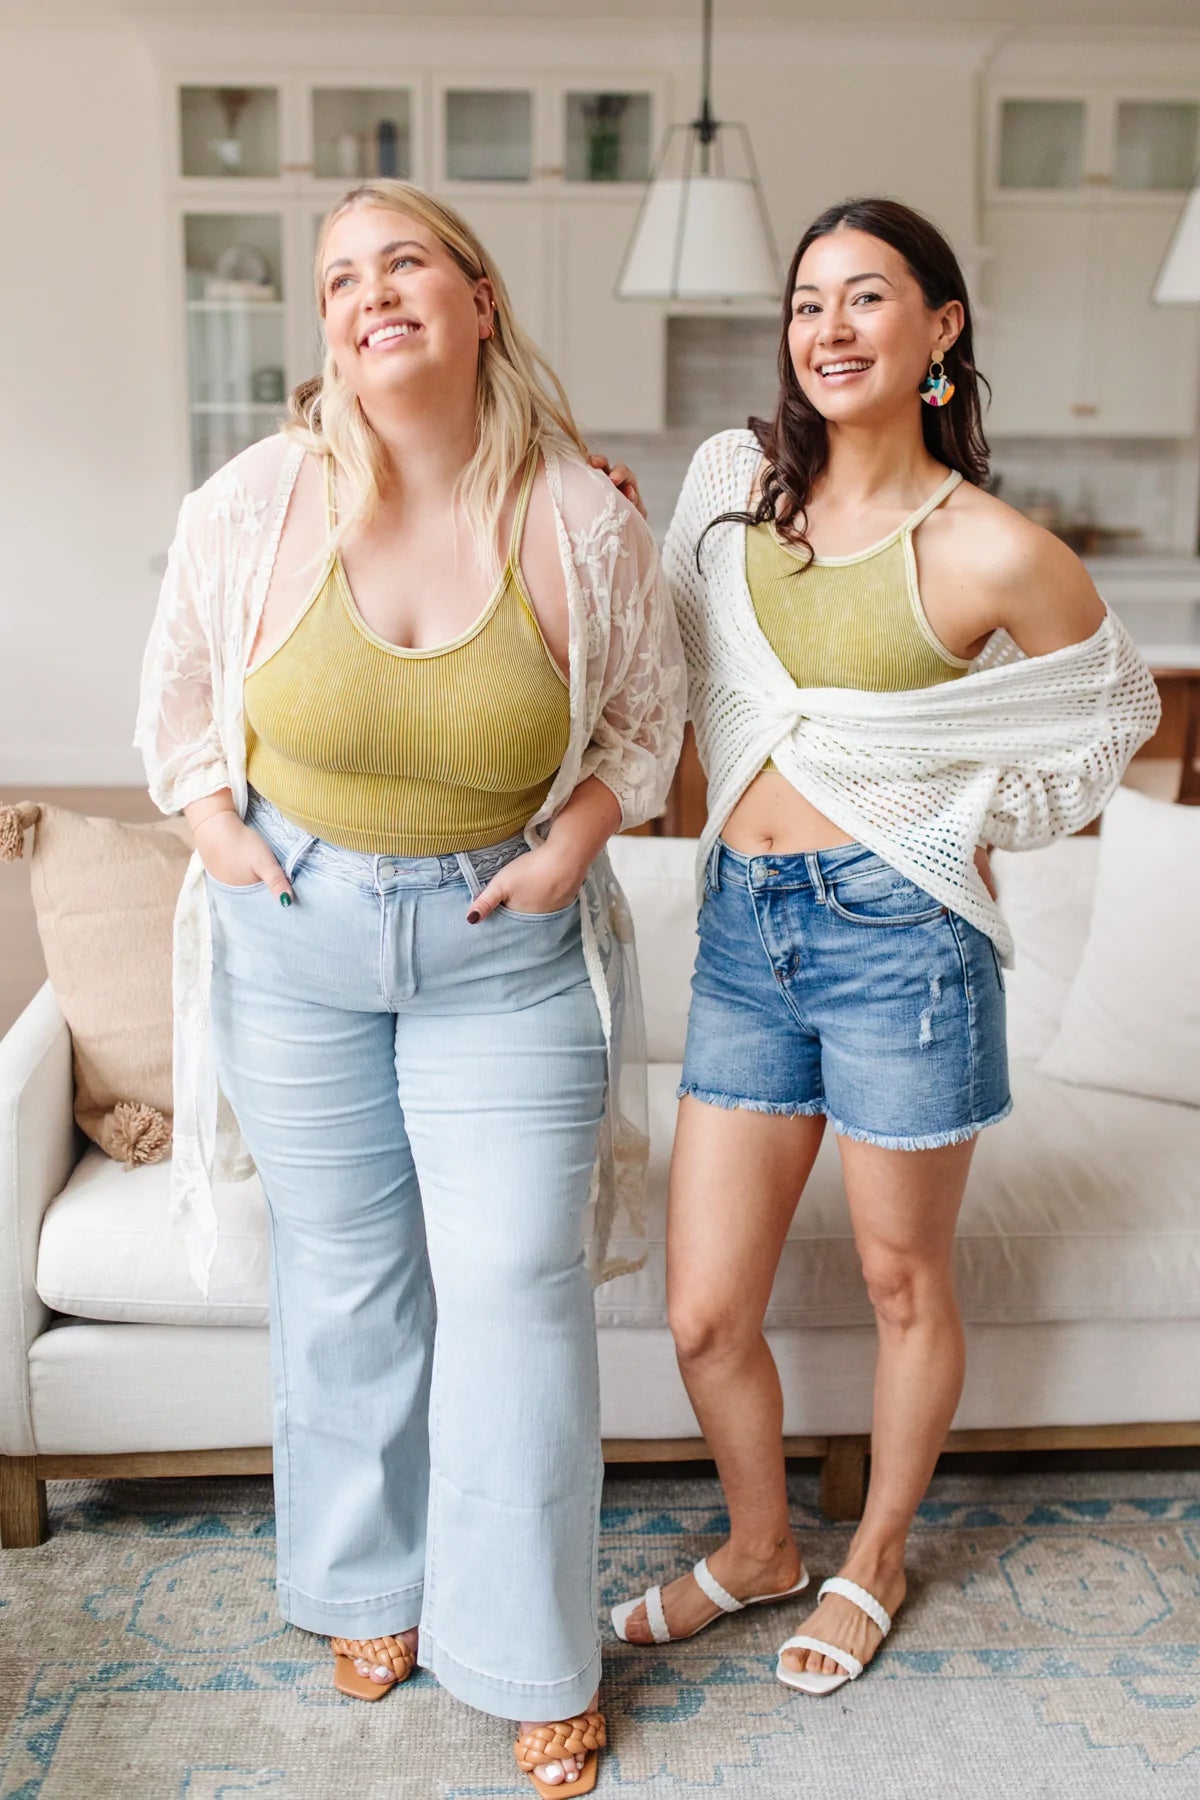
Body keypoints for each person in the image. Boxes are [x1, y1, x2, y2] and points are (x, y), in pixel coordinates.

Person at [136, 178, 685, 1793]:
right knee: (345, 1276)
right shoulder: (252, 501)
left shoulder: (586, 519)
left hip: (502, 948)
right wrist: (222, 835)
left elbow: (649, 728)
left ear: (478, 299)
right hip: (293, 940)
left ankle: (529, 1652)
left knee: (513, 1282)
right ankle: (368, 1589)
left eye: (403, 265)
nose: (369, 295)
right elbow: (175, 702)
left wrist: (570, 844)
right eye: (339, 280)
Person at [611, 197, 1160, 1696]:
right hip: (743, 931)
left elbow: (1111, 719)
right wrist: (600, 529)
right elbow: (666, 648)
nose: (829, 327)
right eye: (807, 302)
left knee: (901, 1282)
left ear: (940, 329)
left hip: (900, 945)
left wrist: (968, 815)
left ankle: (878, 1555)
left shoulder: (991, 545)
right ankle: (759, 1548)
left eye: (865, 296)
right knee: (703, 1308)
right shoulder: (731, 487)